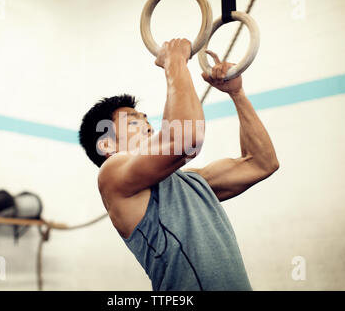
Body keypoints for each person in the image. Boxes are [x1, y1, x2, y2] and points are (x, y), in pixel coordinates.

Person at [79, 38, 279, 290]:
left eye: (145, 119)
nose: (147, 124)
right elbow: (186, 139)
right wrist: (174, 60)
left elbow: (261, 163)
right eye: (133, 121)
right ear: (107, 145)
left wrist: (236, 94)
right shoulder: (112, 176)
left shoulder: (192, 183)